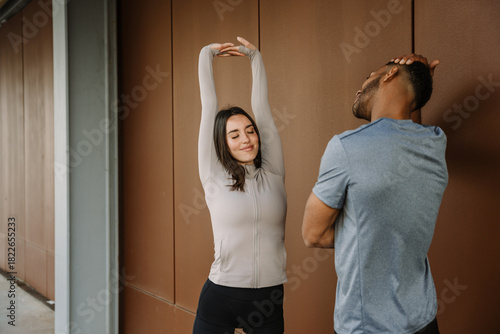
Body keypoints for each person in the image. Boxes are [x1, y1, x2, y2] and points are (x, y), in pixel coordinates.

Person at [301, 54, 447, 334]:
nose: (360, 88)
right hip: (424, 320)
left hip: (366, 326)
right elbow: (407, 131)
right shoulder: (435, 143)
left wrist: (366, 231)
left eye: (369, 75)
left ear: (390, 75)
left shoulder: (346, 147)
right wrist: (419, 85)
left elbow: (313, 234)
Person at [194, 37, 287, 334]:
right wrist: (205, 56)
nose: (246, 138)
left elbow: (262, 110)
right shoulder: (213, 176)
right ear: (223, 142)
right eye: (234, 135)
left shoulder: (273, 172)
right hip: (221, 294)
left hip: (268, 298)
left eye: (249, 131)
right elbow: (209, 106)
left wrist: (255, 59)